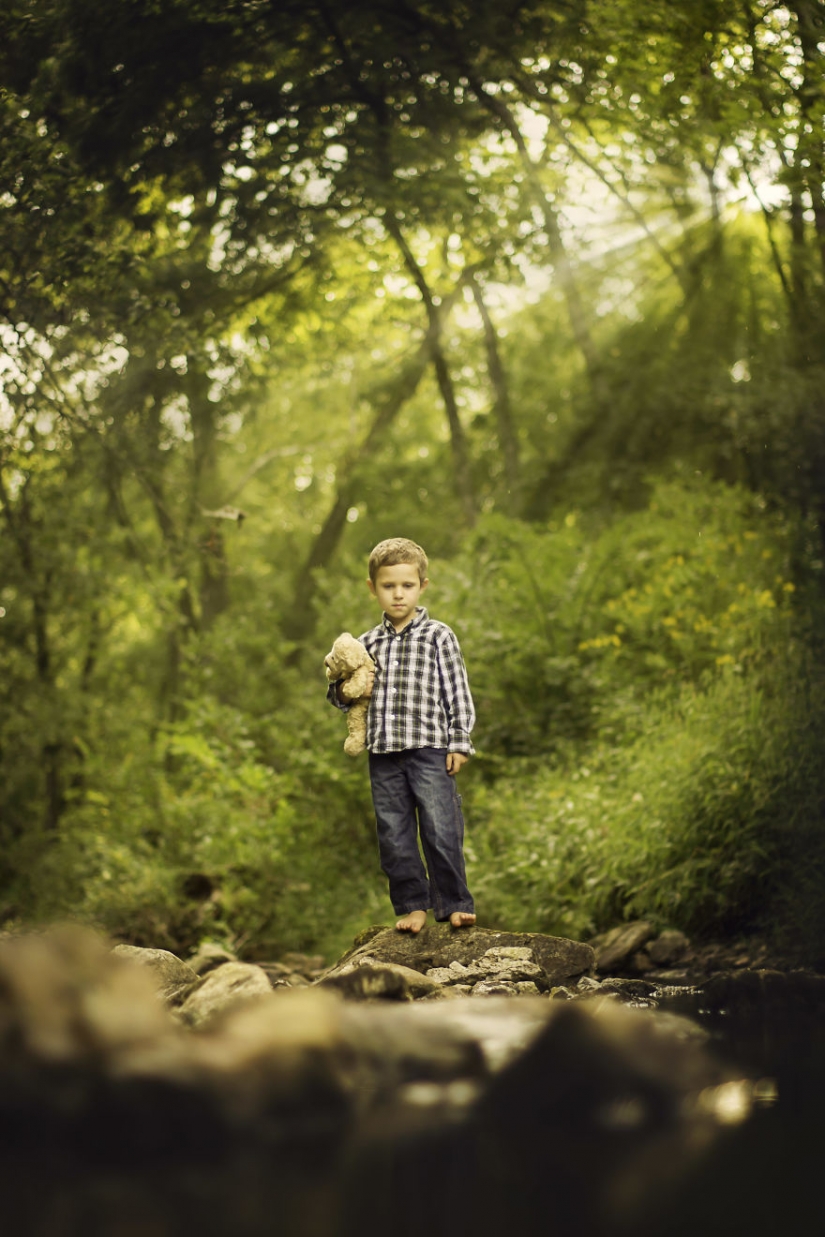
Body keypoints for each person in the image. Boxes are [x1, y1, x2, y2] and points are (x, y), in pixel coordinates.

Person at [327, 537, 476, 933]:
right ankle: (413, 906)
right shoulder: (365, 643)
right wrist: (347, 692)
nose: (398, 594)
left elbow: (457, 691)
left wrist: (459, 741)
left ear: (422, 586)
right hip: (384, 754)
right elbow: (339, 693)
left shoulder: (439, 636)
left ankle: (455, 903)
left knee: (441, 827)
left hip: (430, 749)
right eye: (388, 586)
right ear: (372, 587)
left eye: (407, 585)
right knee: (394, 834)